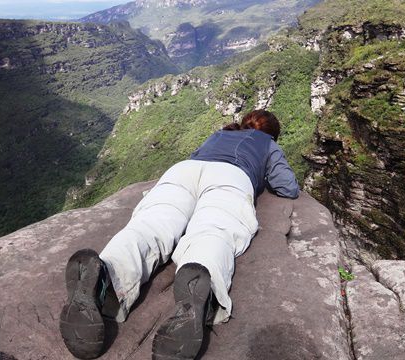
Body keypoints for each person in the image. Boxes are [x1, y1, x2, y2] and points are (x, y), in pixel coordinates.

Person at [59, 110, 299, 359]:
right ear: (272, 134)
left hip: (183, 172)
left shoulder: (219, 134)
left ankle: (105, 274)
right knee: (214, 231)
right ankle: (200, 287)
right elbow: (288, 187)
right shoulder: (267, 143)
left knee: (150, 225)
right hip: (231, 177)